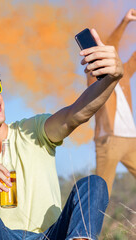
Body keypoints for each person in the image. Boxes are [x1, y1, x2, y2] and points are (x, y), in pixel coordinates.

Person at [0, 28, 123, 239]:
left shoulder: (32, 131)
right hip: (1, 235)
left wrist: (111, 79)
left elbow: (76, 113)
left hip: (52, 235)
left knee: (94, 185)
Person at [87, 8, 136, 196]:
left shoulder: (122, 74)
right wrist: (125, 22)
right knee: (101, 192)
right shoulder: (95, 76)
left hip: (131, 139)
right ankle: (90, 225)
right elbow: (110, 45)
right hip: (109, 141)